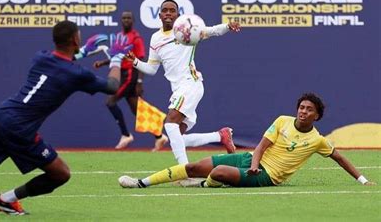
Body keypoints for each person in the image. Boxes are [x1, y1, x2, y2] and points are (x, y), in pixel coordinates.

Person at [0, 20, 132, 215]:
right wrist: (115, 57)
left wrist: (84, 51)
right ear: (75, 39)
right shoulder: (77, 75)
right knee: (61, 174)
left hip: (3, 115)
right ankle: (7, 199)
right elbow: (112, 86)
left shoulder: (41, 56)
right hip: (20, 128)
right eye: (79, 36)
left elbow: (65, 61)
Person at [118, 93, 376, 188]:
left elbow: (339, 157)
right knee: (194, 167)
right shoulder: (283, 121)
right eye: (301, 107)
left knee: (217, 172)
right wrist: (252, 163)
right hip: (252, 161)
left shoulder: (318, 140)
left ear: (317, 115)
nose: (303, 111)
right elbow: (262, 146)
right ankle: (141, 182)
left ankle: (207, 185)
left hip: (268, 176)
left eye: (309, 109)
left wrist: (362, 180)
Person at [126, 0, 242, 165]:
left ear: (178, 15)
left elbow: (211, 31)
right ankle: (220, 136)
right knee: (177, 138)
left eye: (172, 10)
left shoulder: (187, 31)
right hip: (178, 89)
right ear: (159, 15)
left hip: (190, 84)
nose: (168, 13)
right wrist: (136, 62)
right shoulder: (155, 38)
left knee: (170, 123)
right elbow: (152, 69)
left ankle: (184, 171)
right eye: (164, 10)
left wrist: (227, 26)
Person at [93, 11, 168, 150]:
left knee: (110, 102)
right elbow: (117, 56)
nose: (126, 20)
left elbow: (140, 60)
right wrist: (102, 63)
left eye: (128, 18)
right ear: (121, 21)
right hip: (122, 73)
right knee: (137, 110)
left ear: (133, 21)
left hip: (130, 74)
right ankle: (159, 136)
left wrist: (139, 82)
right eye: (124, 18)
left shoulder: (136, 38)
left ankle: (125, 134)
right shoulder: (120, 36)